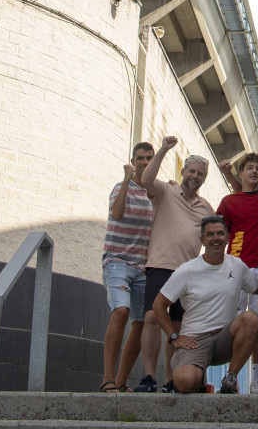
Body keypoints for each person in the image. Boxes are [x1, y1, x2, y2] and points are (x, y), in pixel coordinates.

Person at [130, 139, 215, 393]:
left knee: (176, 328)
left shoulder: (206, 208)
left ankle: (169, 379)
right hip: (160, 265)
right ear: (183, 173)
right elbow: (146, 180)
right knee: (152, 318)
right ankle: (148, 377)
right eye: (191, 171)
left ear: (204, 178)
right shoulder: (166, 191)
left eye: (200, 173)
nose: (195, 176)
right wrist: (165, 150)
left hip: (189, 273)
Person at [151, 216, 258, 394]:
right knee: (184, 382)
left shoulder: (237, 266)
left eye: (220, 233)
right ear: (202, 240)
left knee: (251, 318)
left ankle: (230, 378)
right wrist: (173, 337)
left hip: (226, 338)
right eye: (210, 234)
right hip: (195, 340)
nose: (215, 238)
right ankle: (198, 378)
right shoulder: (187, 270)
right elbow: (158, 305)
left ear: (227, 237)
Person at [100, 143, 155, 393]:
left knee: (141, 321)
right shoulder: (121, 187)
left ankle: (121, 382)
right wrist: (125, 178)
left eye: (149, 158)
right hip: (117, 262)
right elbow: (117, 214)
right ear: (133, 160)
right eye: (140, 158)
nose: (144, 162)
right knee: (120, 311)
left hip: (143, 266)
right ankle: (107, 379)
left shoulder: (156, 192)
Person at [215, 152, 258, 392]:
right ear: (241, 172)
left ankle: (257, 379)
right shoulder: (228, 202)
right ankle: (232, 377)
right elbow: (217, 234)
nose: (255, 171)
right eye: (250, 167)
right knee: (233, 322)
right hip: (234, 267)